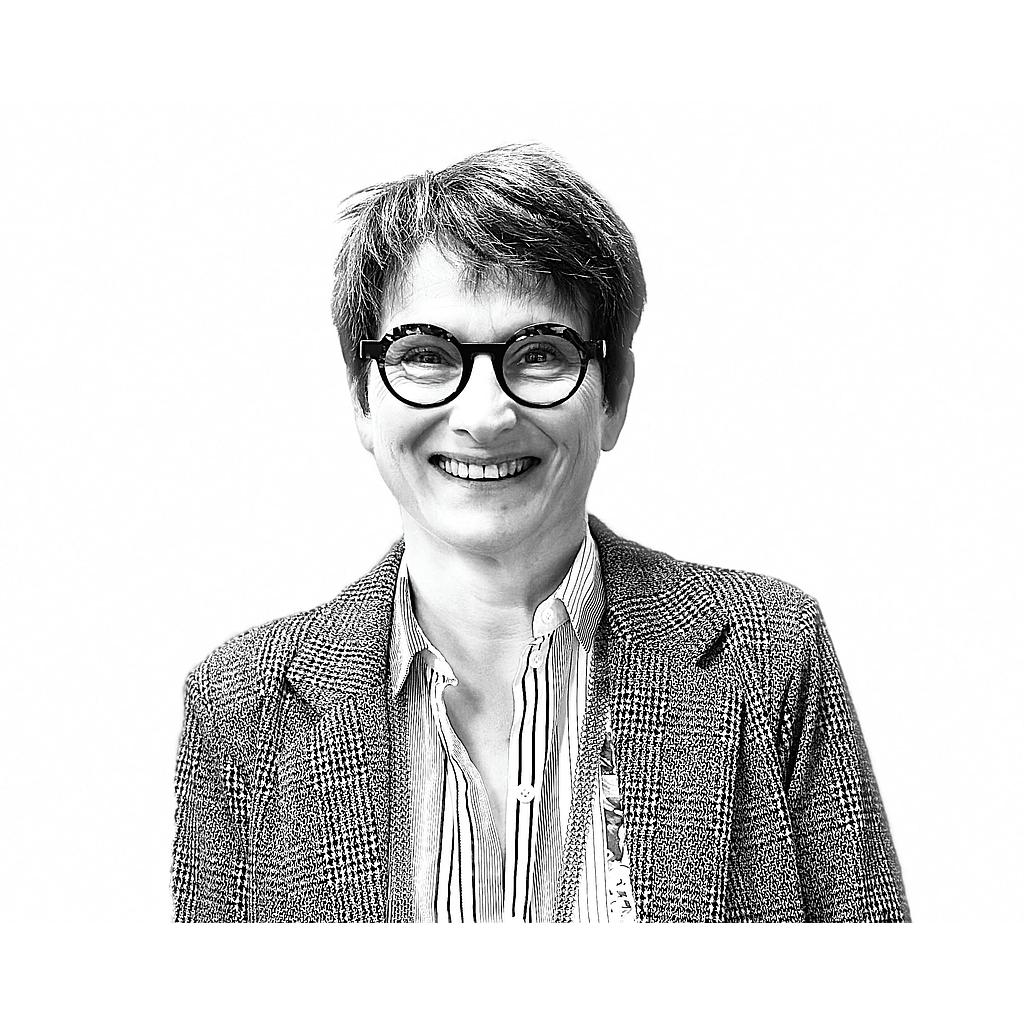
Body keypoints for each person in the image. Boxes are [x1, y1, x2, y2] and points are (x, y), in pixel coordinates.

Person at [172, 143, 909, 923]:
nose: (485, 416)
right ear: (362, 399)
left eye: (540, 355)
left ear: (614, 397)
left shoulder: (771, 654)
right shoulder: (241, 705)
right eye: (425, 355)